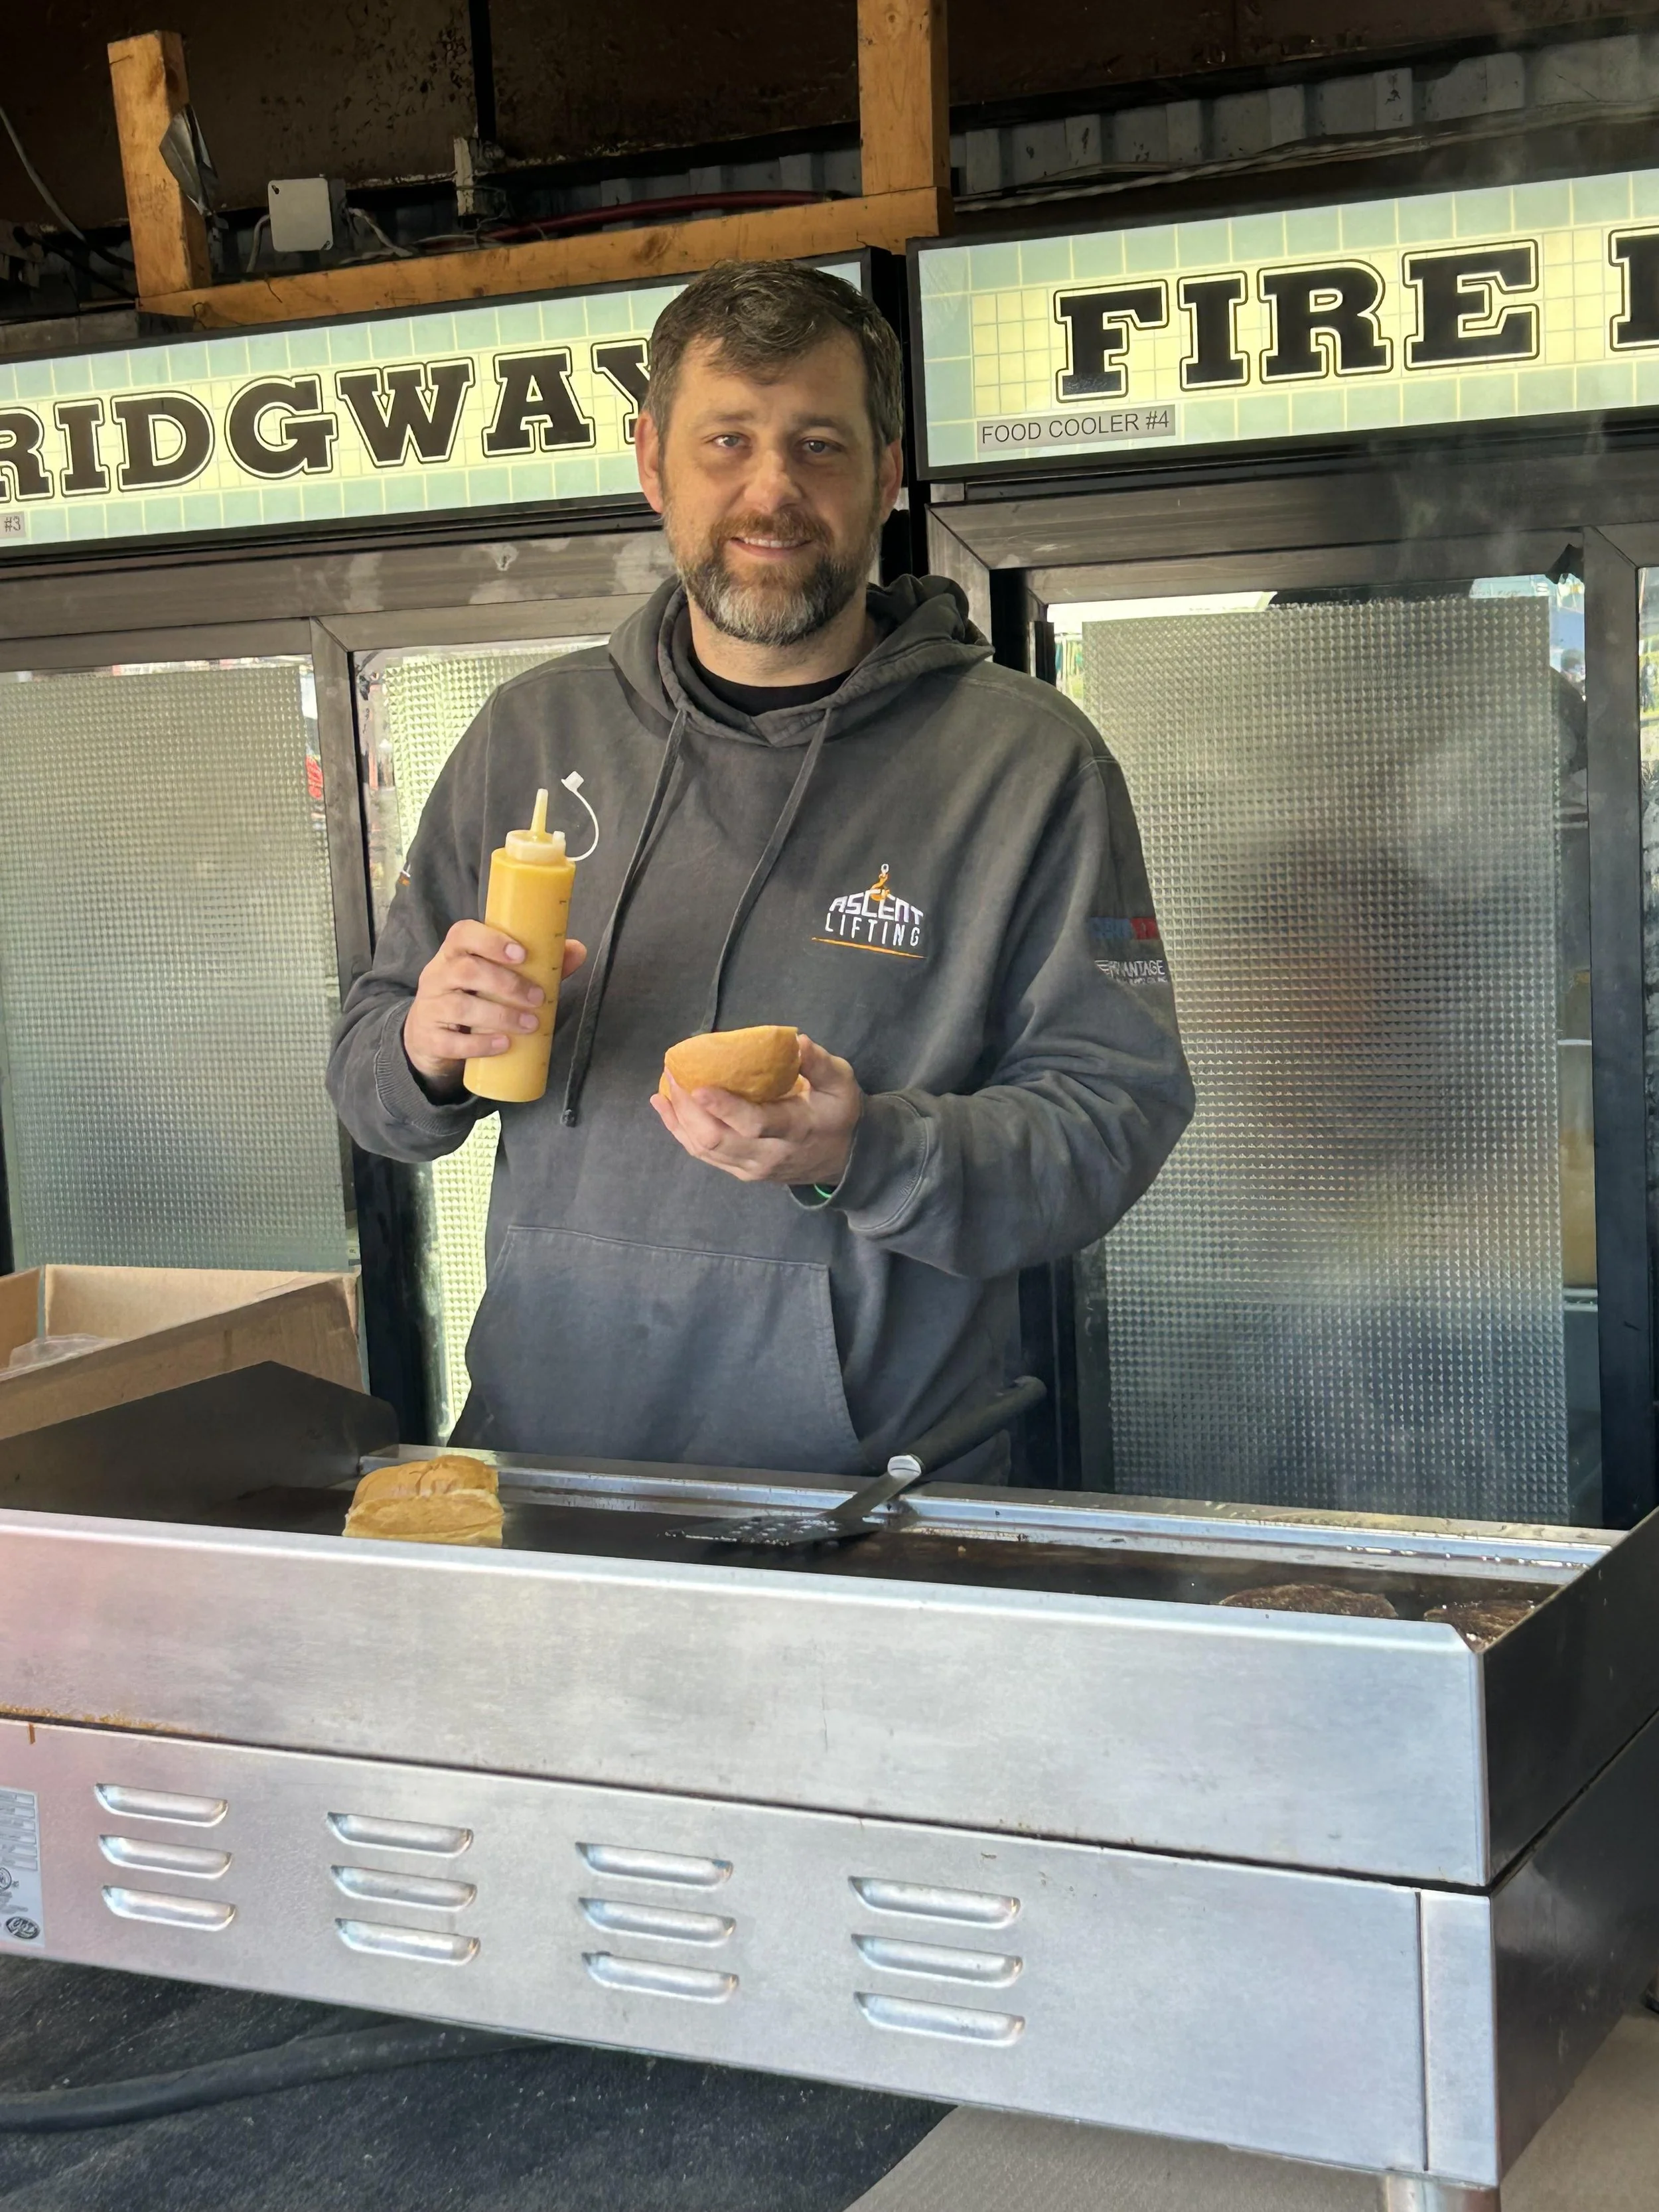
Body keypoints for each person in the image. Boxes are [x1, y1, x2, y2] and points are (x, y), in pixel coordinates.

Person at [326, 259, 1194, 1477]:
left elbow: (1117, 1117)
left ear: (889, 475)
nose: (772, 490)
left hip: (865, 1510)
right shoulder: (529, 738)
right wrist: (425, 1050)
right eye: (726, 440)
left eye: (821, 447)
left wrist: (865, 1153)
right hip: (545, 1471)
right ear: (652, 464)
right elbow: (371, 1083)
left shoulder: (1031, 764)